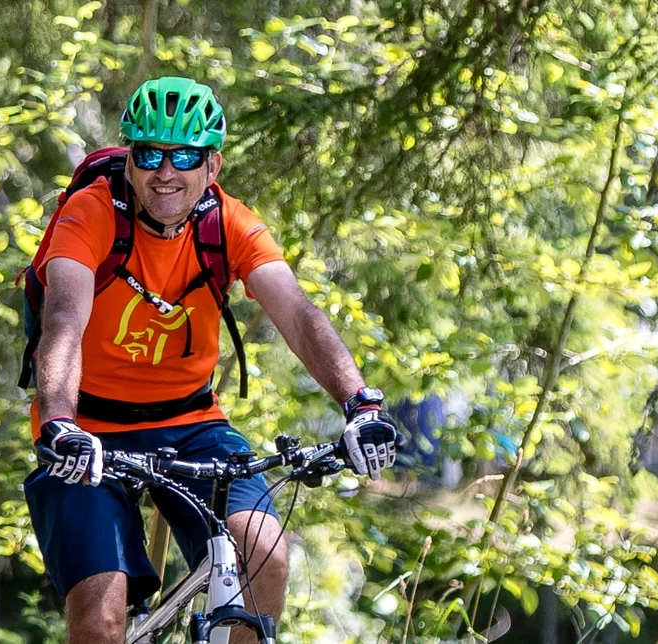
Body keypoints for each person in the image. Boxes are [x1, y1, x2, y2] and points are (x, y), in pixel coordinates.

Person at [22, 77, 402, 641]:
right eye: (149, 154)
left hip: (191, 422)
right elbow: (63, 323)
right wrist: (58, 421)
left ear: (212, 166)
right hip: (88, 430)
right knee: (101, 618)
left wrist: (361, 403)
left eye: (184, 156)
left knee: (266, 554)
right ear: (130, 160)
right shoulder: (91, 214)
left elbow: (297, 313)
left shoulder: (228, 224)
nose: (165, 172)